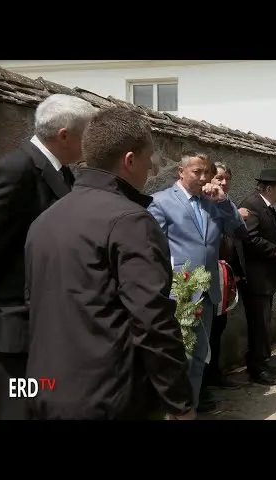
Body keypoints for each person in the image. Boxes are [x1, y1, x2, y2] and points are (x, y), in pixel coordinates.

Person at [24, 108, 194, 420]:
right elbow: (152, 323)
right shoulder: (131, 222)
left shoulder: (45, 220)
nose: (151, 169)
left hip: (44, 392)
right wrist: (180, 402)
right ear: (130, 160)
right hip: (108, 399)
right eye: (148, 159)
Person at [0, 94, 97, 420]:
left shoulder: (65, 173)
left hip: (50, 326)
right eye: (88, 133)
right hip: (17, 329)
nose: (92, 141)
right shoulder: (15, 170)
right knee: (20, 411)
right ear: (64, 135)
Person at [148, 153, 247, 411]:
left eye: (207, 172)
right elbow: (152, 249)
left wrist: (224, 201)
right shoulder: (161, 202)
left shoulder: (213, 202)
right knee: (177, 357)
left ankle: (189, 409)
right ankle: (171, 411)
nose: (204, 178)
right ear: (180, 171)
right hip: (177, 292)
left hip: (208, 291)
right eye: (197, 172)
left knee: (199, 357)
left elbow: (239, 230)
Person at [237, 169, 276, 385]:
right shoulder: (252, 205)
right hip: (256, 278)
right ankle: (257, 368)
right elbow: (250, 238)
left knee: (264, 323)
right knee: (259, 324)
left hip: (265, 277)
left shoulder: (265, 206)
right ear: (269, 188)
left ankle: (263, 362)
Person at [204, 162, 246, 393]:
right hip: (205, 273)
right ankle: (202, 381)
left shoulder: (225, 203)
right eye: (219, 178)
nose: (223, 183)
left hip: (224, 275)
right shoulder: (205, 203)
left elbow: (237, 237)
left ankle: (214, 373)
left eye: (227, 178)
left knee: (219, 327)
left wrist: (236, 273)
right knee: (205, 331)